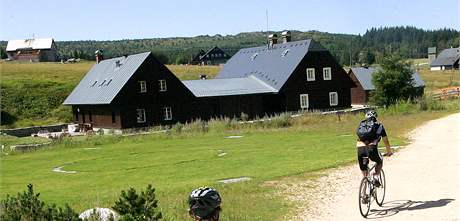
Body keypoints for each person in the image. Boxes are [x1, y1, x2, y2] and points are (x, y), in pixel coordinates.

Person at [356, 110, 393, 188]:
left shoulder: (362, 125)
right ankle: (375, 175)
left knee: (364, 172)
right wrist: (389, 152)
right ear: (375, 117)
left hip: (360, 149)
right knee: (379, 161)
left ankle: (364, 193)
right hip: (371, 149)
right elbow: (386, 141)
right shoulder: (379, 126)